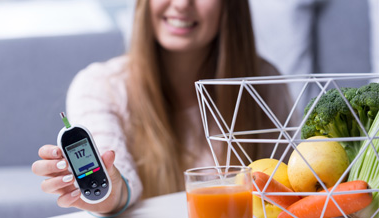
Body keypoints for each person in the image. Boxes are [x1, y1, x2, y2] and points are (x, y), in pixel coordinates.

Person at [32, 0, 292, 217]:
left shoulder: (265, 84)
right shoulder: (99, 86)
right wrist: (109, 193)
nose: (181, 4)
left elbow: (291, 190)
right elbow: (118, 176)